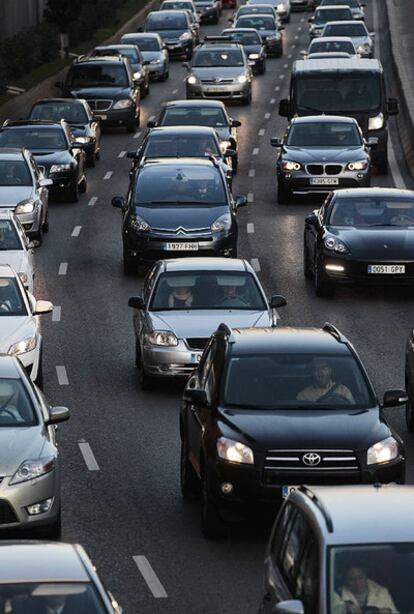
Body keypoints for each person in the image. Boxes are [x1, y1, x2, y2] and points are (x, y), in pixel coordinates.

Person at [333, 566, 398, 614]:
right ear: (346, 581)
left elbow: (395, 612)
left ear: (366, 576)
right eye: (351, 579)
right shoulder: (337, 595)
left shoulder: (382, 592)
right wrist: (345, 609)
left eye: (360, 577)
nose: (357, 583)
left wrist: (389, 612)